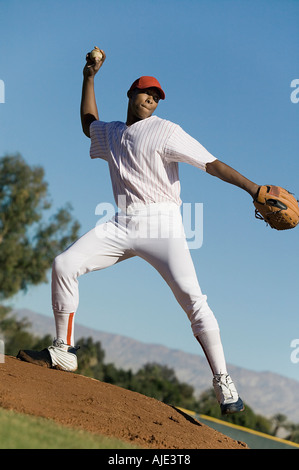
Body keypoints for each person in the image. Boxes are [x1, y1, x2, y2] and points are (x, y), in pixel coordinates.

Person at [18, 48, 260, 415]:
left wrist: (254, 189)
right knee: (64, 264)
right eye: (146, 92)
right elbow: (88, 124)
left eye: (156, 97)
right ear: (130, 94)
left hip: (163, 225)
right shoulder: (113, 133)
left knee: (193, 301)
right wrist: (88, 76)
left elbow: (210, 164)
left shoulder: (166, 130)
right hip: (122, 222)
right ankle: (63, 350)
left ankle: (224, 383)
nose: (151, 99)